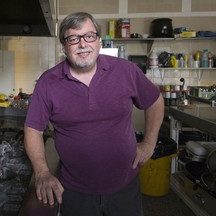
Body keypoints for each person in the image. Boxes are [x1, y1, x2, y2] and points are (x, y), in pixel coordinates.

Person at [24, 12, 164, 216]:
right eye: (73, 38)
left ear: (99, 42)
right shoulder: (48, 82)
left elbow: (155, 101)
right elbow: (33, 128)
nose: (83, 44)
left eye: (89, 36)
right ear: (64, 47)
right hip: (74, 190)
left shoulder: (126, 71)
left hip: (125, 187)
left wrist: (150, 143)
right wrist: (42, 172)